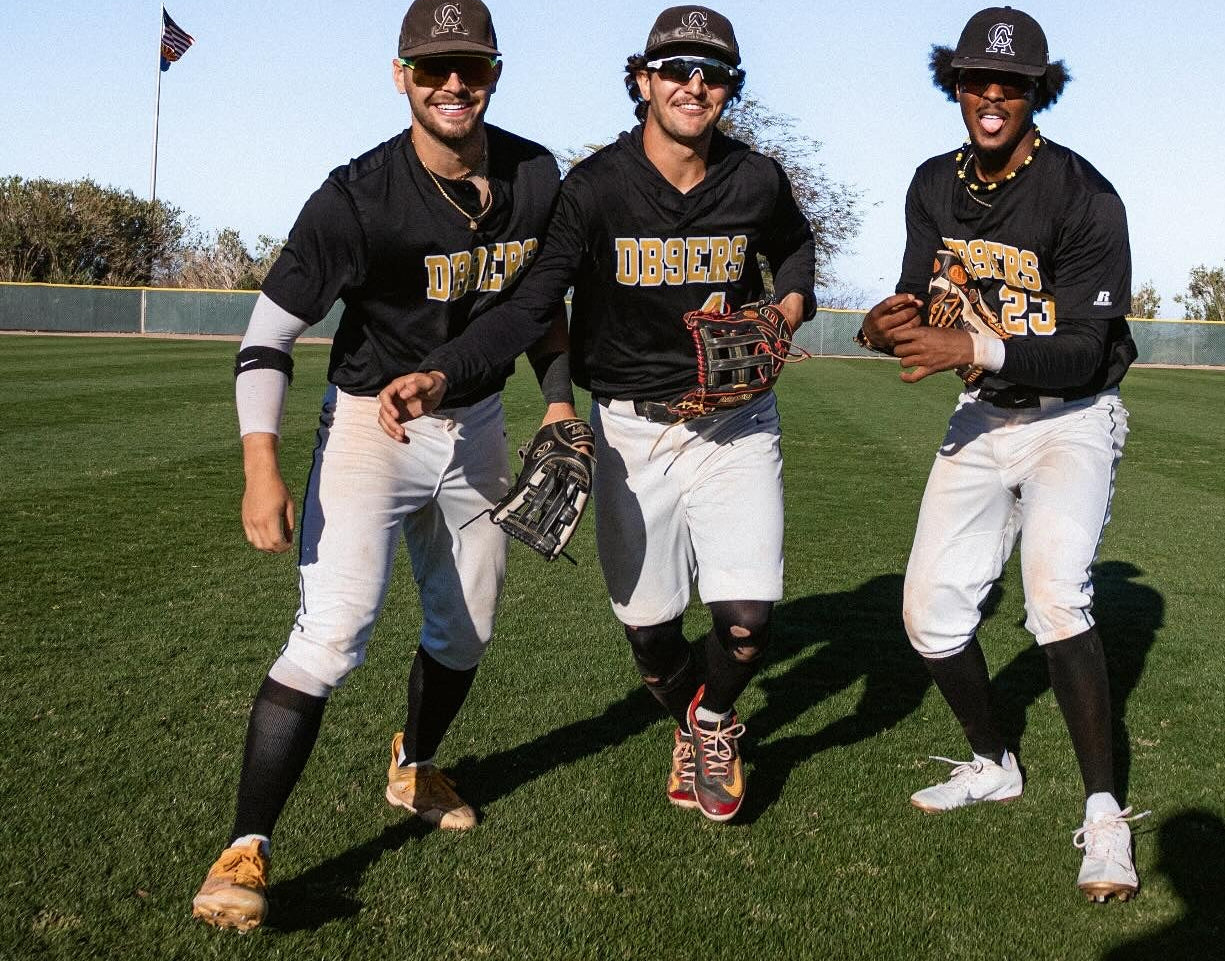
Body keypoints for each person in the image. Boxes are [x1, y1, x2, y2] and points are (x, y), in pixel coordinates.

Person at [378, 5, 815, 824]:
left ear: (730, 90)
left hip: (735, 424)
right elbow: (529, 307)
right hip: (629, 431)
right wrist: (446, 372)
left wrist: (786, 307)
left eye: (713, 74)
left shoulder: (758, 177)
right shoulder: (594, 188)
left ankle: (712, 725)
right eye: (677, 69)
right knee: (652, 635)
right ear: (643, 82)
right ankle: (690, 718)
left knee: (748, 624)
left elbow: (793, 245)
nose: (694, 85)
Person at [191, 0, 573, 931]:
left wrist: (559, 399)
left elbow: (541, 310)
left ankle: (414, 765)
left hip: (476, 421)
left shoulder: (534, 173)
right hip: (373, 424)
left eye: (471, 67)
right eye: (434, 66)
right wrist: (261, 465)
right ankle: (246, 846)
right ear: (400, 73)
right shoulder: (356, 196)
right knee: (332, 634)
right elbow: (266, 340)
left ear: (495, 72)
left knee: (468, 628)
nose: (454, 84)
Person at [860, 6, 1147, 901]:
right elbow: (919, 297)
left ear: (1036, 92)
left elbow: (1091, 346)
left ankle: (1104, 819)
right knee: (929, 614)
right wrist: (885, 325)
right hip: (985, 415)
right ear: (955, 84)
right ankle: (994, 761)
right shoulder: (929, 184)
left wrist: (975, 350)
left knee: (1056, 595)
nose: (992, 96)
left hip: (1073, 414)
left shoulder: (1083, 193)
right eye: (976, 80)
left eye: (1012, 84)